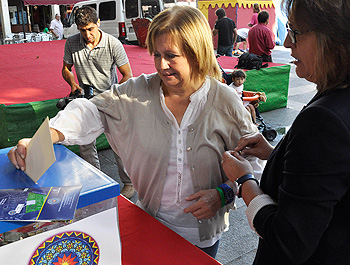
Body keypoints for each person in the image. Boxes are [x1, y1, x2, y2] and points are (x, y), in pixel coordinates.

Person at [8, 6, 264, 259]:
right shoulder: (137, 92)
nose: (162, 66)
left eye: (171, 56)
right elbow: (91, 111)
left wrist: (225, 193)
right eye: (156, 55)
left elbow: (255, 161)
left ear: (196, 52)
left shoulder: (226, 102)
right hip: (150, 223)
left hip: (203, 236)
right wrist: (47, 136)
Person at [221, 0, 350, 264]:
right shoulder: (337, 99)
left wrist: (245, 180)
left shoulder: (323, 120)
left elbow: (288, 241)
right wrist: (275, 152)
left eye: (296, 31)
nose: (288, 42)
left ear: (333, 39)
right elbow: (329, 176)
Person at [62, 6, 135, 198]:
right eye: (82, 30)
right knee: (85, 144)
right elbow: (66, 69)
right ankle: (97, 182)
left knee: (118, 144)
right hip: (86, 101)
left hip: (109, 100)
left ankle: (129, 183)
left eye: (90, 29)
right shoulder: (71, 43)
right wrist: (72, 83)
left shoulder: (113, 43)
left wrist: (113, 94)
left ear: (98, 24)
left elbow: (127, 74)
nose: (87, 35)